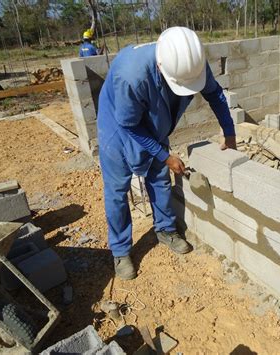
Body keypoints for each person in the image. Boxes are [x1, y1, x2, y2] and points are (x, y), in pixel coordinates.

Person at [97, 27, 237, 280]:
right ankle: (120, 251)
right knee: (117, 191)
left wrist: (229, 131)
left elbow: (214, 93)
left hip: (154, 122)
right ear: (161, 67)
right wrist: (165, 156)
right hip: (118, 129)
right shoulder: (132, 76)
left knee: (160, 180)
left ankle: (165, 231)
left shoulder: (191, 63)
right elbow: (129, 125)